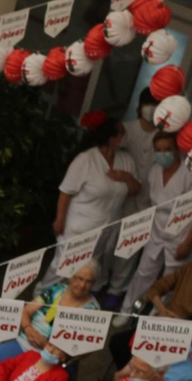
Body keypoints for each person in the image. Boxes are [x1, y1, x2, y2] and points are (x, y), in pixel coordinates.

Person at [117, 129, 192, 314]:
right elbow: (148, 201)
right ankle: (127, 310)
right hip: (157, 233)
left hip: (181, 236)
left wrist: (188, 243)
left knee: (170, 280)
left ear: (177, 149)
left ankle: (154, 317)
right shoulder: (154, 170)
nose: (163, 154)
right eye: (158, 150)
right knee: (143, 273)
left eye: (167, 149)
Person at [52, 113, 140, 291]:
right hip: (77, 230)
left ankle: (70, 309)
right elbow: (65, 192)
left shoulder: (126, 160)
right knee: (62, 273)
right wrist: (59, 220)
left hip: (103, 232)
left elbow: (136, 191)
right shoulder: (86, 159)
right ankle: (45, 307)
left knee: (85, 274)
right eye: (122, 133)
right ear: (112, 138)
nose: (126, 137)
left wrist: (126, 177)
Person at [0, 262, 100, 374]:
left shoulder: (92, 309)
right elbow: (26, 310)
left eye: (88, 281)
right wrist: (28, 329)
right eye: (79, 278)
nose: (82, 285)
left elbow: (88, 349)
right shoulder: (57, 289)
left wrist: (52, 349)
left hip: (51, 358)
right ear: (71, 277)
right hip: (25, 343)